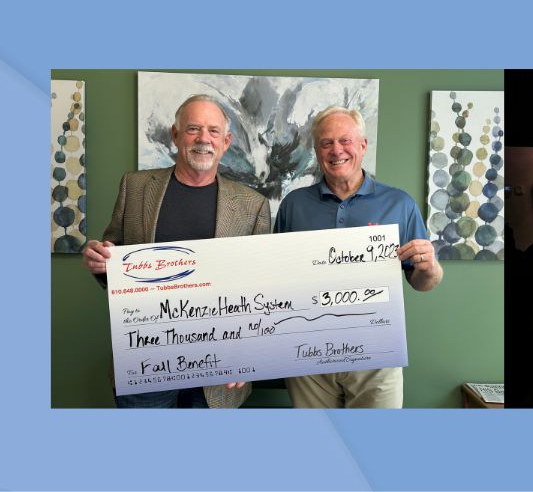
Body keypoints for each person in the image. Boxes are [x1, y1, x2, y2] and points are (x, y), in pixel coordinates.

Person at [81, 94, 271, 408]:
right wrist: (101, 262)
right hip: (145, 361)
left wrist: (248, 353)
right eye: (193, 129)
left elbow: (262, 290)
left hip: (219, 370)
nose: (203, 139)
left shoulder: (253, 205)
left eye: (212, 131)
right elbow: (114, 257)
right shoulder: (135, 187)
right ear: (175, 135)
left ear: (226, 141)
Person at [273, 106, 443, 408]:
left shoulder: (399, 204)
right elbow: (274, 279)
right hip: (308, 355)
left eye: (345, 140)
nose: (336, 150)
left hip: (377, 353)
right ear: (317, 150)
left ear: (363, 145)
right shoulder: (293, 205)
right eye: (326, 143)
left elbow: (423, 282)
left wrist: (429, 268)